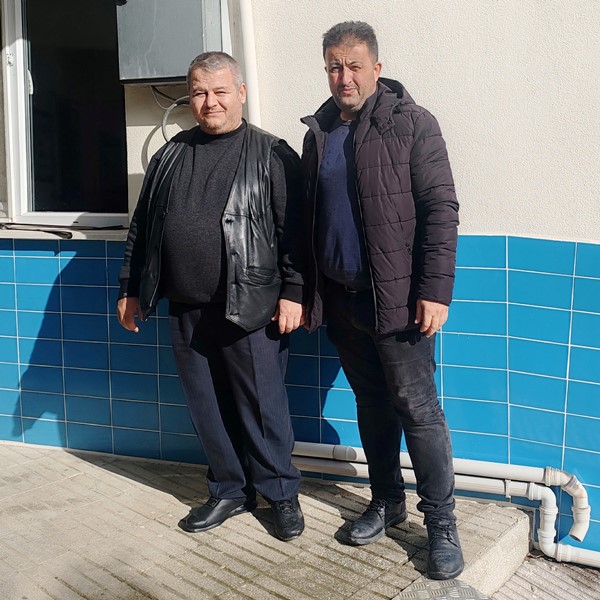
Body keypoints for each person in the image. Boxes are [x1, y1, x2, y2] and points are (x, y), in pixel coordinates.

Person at [117, 51, 305, 542]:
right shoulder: (170, 154)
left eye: (220, 91)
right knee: (207, 406)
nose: (210, 102)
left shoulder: (271, 153)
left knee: (262, 407)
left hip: (252, 307)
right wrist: (130, 288)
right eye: (200, 92)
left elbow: (295, 233)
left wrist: (294, 292)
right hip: (187, 306)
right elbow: (143, 227)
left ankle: (281, 494)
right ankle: (229, 489)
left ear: (240, 93)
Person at [300, 22, 463, 579]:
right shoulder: (319, 133)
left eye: (353, 66)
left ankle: (441, 524)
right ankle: (387, 501)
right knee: (371, 405)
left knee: (418, 411)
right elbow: (311, 219)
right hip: (343, 302)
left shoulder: (412, 123)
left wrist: (434, 291)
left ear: (376, 67)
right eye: (333, 67)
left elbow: (441, 209)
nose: (343, 77)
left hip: (398, 302)